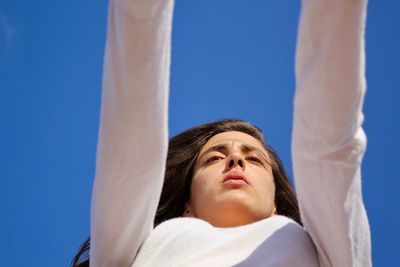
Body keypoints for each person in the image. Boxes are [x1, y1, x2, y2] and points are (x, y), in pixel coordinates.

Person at [72, 0, 371, 266]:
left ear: (277, 204)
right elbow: (131, 147)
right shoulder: (139, 247)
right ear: (186, 204)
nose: (235, 162)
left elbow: (329, 146)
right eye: (214, 158)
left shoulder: (323, 251)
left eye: (254, 159)